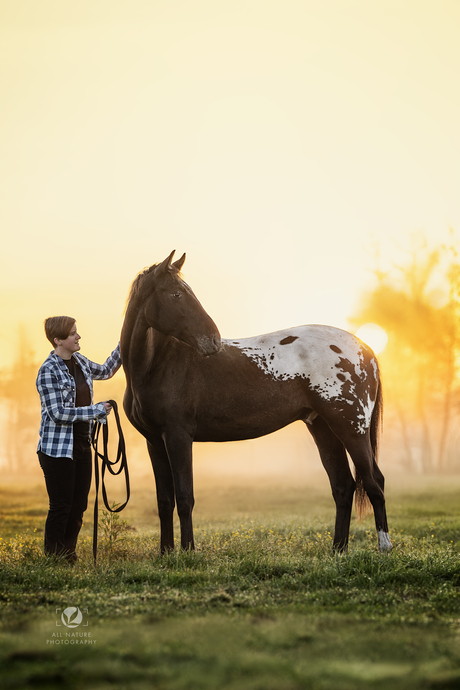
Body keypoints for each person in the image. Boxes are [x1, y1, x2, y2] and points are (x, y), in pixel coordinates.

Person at [36, 316, 122, 563]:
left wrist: (125, 342)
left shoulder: (80, 361)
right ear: (58, 340)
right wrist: (94, 410)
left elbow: (106, 370)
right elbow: (57, 413)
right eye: (73, 333)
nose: (78, 336)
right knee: (61, 505)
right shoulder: (47, 371)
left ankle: (68, 554)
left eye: (77, 332)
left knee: (78, 506)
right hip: (57, 450)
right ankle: (53, 557)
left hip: (82, 445)